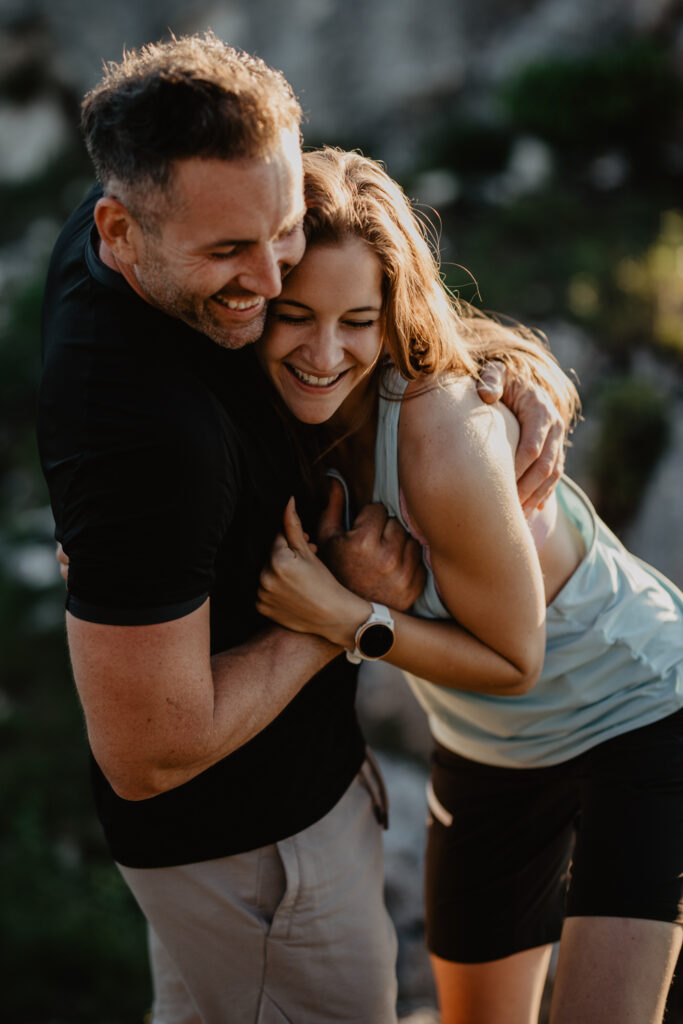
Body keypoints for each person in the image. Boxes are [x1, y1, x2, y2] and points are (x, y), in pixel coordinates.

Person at [38, 33, 566, 1024]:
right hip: (253, 852)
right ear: (116, 231)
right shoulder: (146, 436)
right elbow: (147, 751)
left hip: (258, 831)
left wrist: (507, 369)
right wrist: (339, 609)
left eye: (277, 230)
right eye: (228, 253)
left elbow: (350, 278)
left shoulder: (156, 208)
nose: (271, 276)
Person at [254, 147, 683, 1024]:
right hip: (490, 749)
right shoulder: (273, 419)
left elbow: (515, 659)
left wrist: (355, 620)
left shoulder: (438, 435)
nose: (325, 351)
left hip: (640, 711)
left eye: (358, 321)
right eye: (294, 315)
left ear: (391, 315)